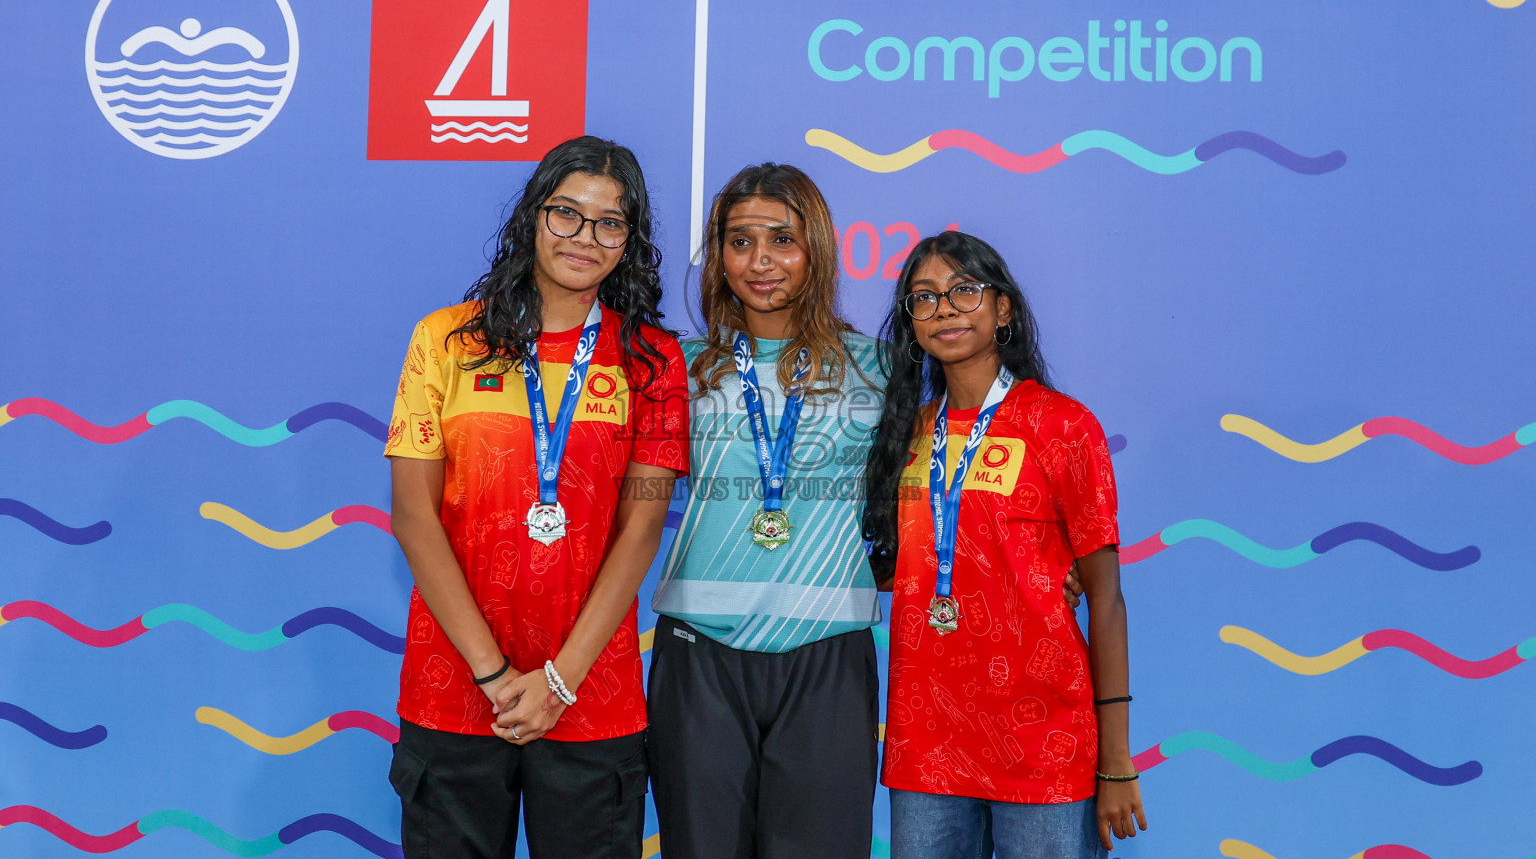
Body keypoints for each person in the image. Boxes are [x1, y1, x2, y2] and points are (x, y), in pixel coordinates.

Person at [384, 135, 689, 859]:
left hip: (591, 694)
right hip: (455, 686)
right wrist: (494, 672)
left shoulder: (652, 361)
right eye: (567, 214)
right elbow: (412, 516)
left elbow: (642, 528)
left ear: (630, 242)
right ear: (531, 218)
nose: (586, 237)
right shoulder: (446, 340)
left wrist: (559, 679)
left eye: (610, 222)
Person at [863, 230, 1147, 859]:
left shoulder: (1063, 426)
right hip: (926, 746)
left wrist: (1117, 761)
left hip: (1045, 744)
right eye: (924, 298)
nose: (944, 310)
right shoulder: (902, 435)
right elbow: (898, 563)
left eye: (964, 291)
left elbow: (1107, 599)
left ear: (1004, 310)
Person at [647, 163, 886, 859]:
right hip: (700, 652)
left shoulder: (882, 366)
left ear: (816, 249)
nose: (761, 262)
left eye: (782, 240)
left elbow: (947, 476)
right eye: (740, 241)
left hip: (827, 651)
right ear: (718, 257)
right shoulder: (678, 368)